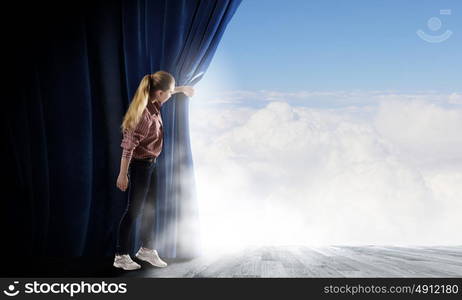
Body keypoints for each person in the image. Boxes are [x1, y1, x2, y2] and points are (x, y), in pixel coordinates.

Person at [114, 71, 195, 270]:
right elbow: (128, 146)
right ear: (159, 93)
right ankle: (121, 255)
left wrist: (181, 89)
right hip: (140, 166)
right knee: (133, 210)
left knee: (151, 207)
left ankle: (147, 249)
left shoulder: (154, 103)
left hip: (151, 164)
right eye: (168, 93)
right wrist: (122, 174)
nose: (169, 95)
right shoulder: (144, 115)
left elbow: (167, 92)